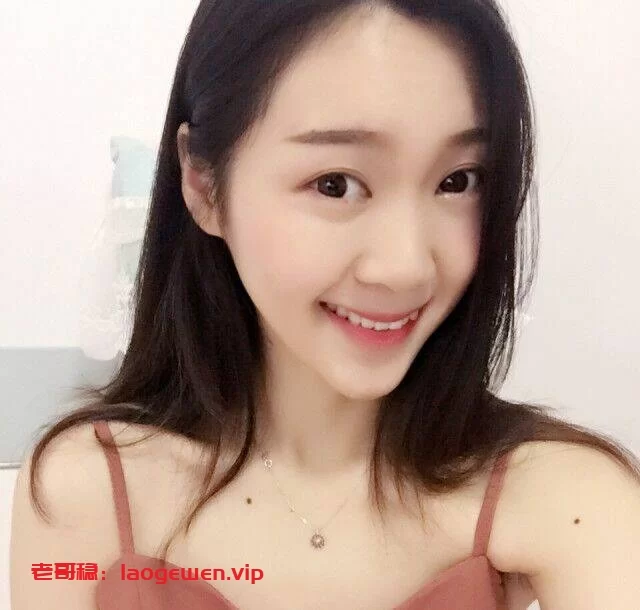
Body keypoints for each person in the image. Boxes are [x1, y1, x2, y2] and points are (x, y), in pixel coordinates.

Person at [10, 1, 640, 609]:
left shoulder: (571, 500)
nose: (406, 265)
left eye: (458, 181)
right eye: (335, 184)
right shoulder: (84, 491)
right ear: (203, 185)